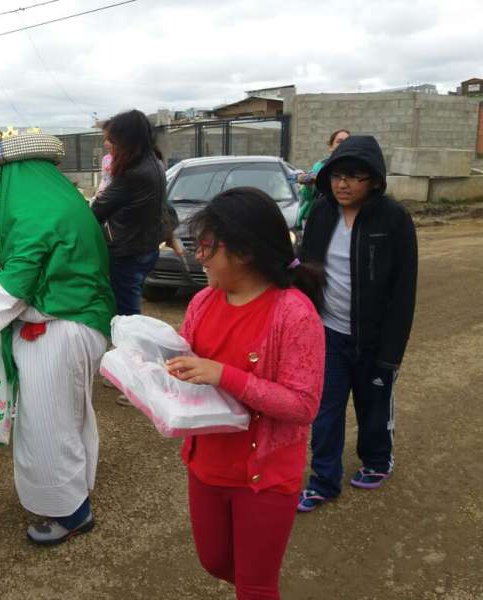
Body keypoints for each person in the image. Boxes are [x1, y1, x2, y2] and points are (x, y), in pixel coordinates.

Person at [165, 187, 326, 600]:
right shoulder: (203, 301)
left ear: (245, 252)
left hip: (263, 477)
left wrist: (224, 375)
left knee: (255, 586)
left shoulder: (293, 313)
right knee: (214, 561)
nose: (199, 255)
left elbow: (303, 405)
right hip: (206, 464)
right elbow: (185, 365)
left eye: (207, 246)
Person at [0, 155, 115, 545]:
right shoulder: (67, 204)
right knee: (70, 415)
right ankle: (76, 492)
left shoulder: (34, 216)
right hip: (83, 324)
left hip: (55, 333)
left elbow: (13, 287)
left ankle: (70, 513)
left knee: (46, 425)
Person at [297, 135, 418, 512]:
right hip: (329, 333)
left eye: (354, 177)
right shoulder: (321, 213)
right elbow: (304, 267)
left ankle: (377, 460)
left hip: (375, 338)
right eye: (337, 176)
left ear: (375, 181)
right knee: (326, 409)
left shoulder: (394, 219)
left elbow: (403, 291)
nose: (343, 184)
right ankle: (323, 480)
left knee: (373, 406)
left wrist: (391, 352)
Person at [91, 109, 165, 316]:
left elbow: (97, 210)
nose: (107, 144)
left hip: (128, 251)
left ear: (127, 140)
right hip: (144, 247)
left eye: (111, 140)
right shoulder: (154, 162)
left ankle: (131, 347)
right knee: (128, 303)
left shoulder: (134, 174)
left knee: (126, 312)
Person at [295, 129, 350, 230]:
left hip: (345, 217)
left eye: (347, 141)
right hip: (320, 217)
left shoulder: (356, 167)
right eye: (339, 141)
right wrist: (308, 185)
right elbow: (307, 198)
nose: (343, 144)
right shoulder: (319, 166)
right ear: (330, 146)